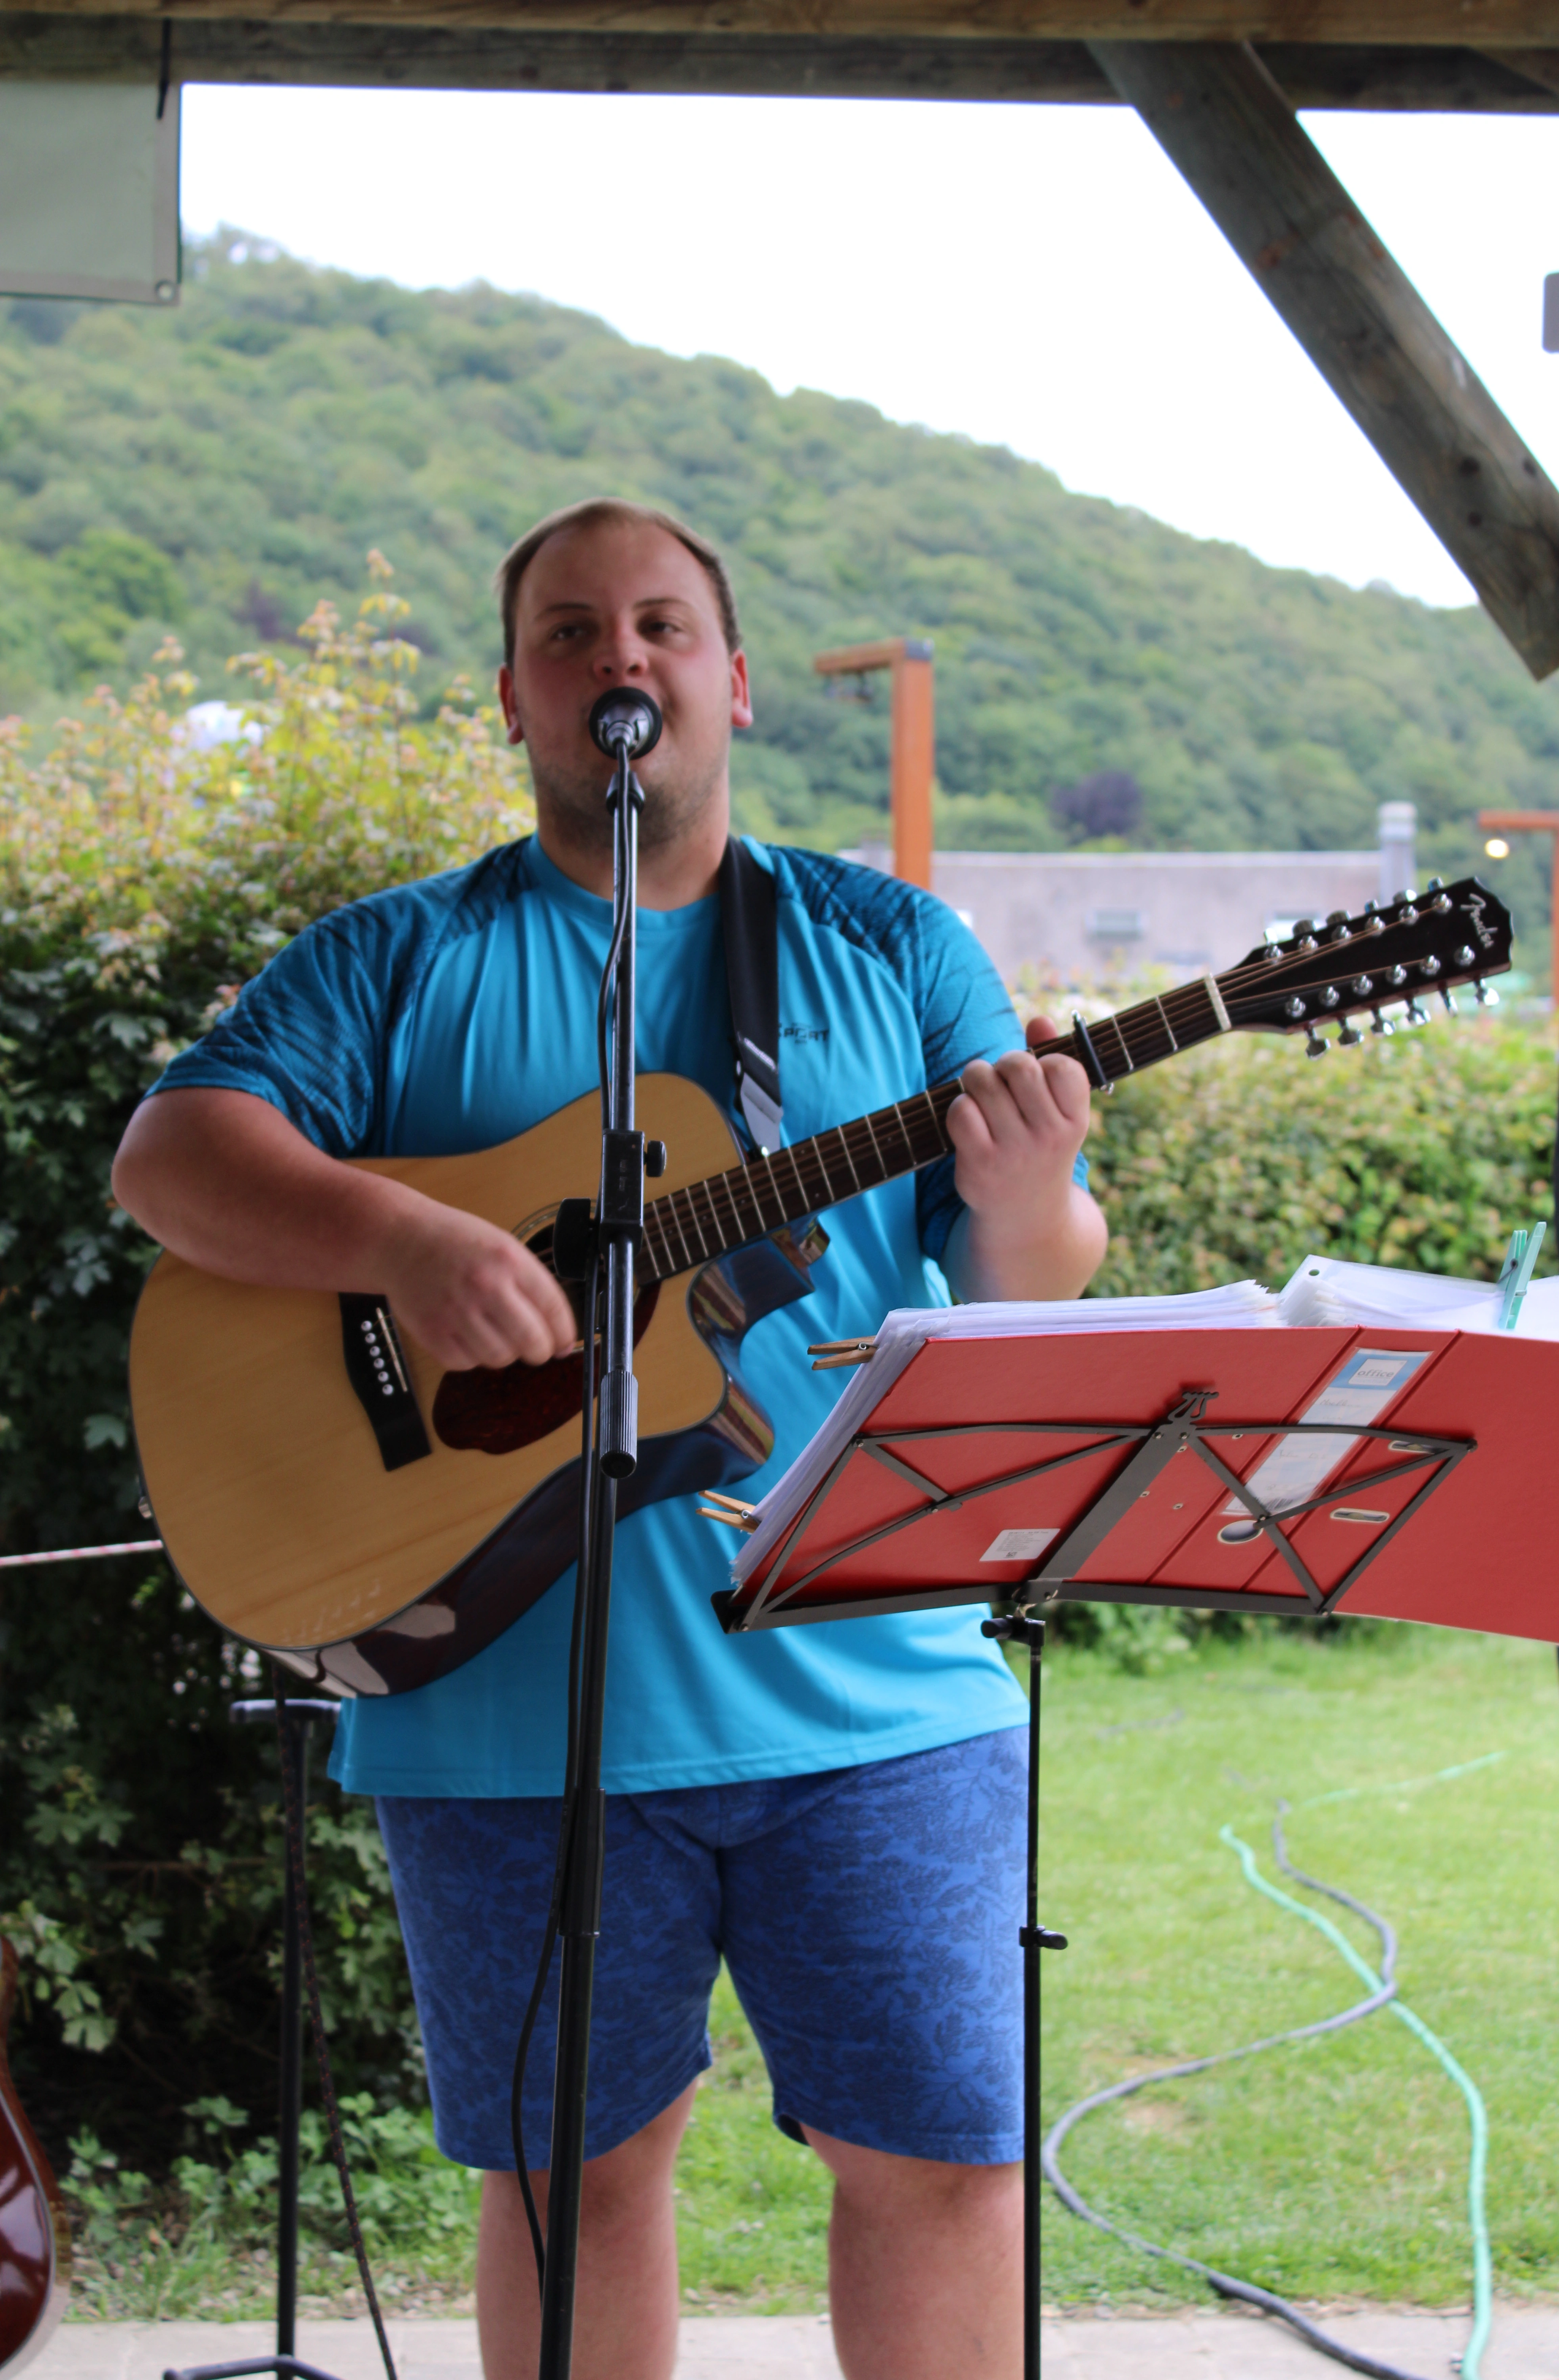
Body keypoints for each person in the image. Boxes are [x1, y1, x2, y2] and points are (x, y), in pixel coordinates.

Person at [112, 497, 1108, 2380]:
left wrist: (1039, 1184)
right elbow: (172, 1159)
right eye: (571, 635)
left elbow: (1027, 1281)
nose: (619, 662)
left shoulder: (890, 943)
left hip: (876, 1688)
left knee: (948, 2174)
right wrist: (408, 1240)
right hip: (504, 1701)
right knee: (577, 2184)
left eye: (661, 628)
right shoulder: (396, 957)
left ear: (730, 682)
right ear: (513, 698)